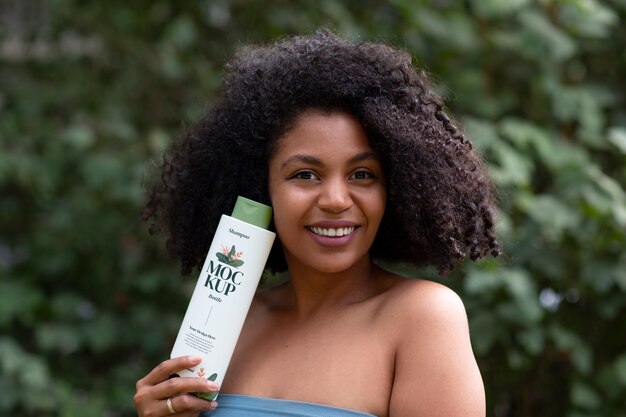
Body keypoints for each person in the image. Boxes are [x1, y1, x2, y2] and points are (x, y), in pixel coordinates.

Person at [134, 29, 500, 417]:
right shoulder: (228, 323)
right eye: (305, 175)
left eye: (362, 174)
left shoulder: (422, 318)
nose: (336, 201)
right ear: (262, 188)